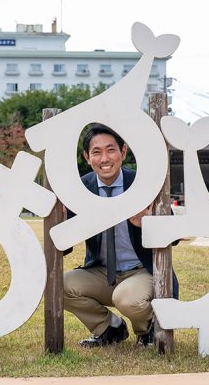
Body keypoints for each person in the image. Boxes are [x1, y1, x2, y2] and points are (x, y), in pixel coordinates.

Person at [63, 123, 179, 347]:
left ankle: (147, 331)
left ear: (123, 152)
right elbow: (63, 246)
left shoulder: (143, 182)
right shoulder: (80, 188)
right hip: (102, 272)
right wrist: (60, 221)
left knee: (126, 298)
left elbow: (173, 236)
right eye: (96, 152)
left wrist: (147, 222)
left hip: (141, 270)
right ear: (87, 157)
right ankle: (110, 329)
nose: (104, 158)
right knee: (58, 285)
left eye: (111, 150)